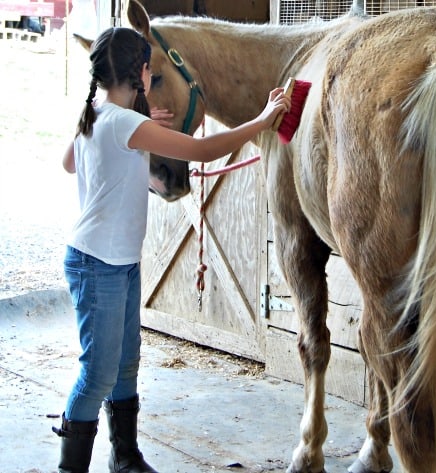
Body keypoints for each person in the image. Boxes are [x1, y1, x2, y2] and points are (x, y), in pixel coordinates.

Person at [54, 26, 290, 473]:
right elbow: (201, 151)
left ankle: (125, 457)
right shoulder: (123, 122)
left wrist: (139, 131)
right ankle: (71, 467)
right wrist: (261, 121)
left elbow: (70, 162)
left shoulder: (99, 114)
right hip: (98, 265)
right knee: (98, 373)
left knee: (124, 365)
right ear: (141, 73)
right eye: (148, 69)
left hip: (115, 262)